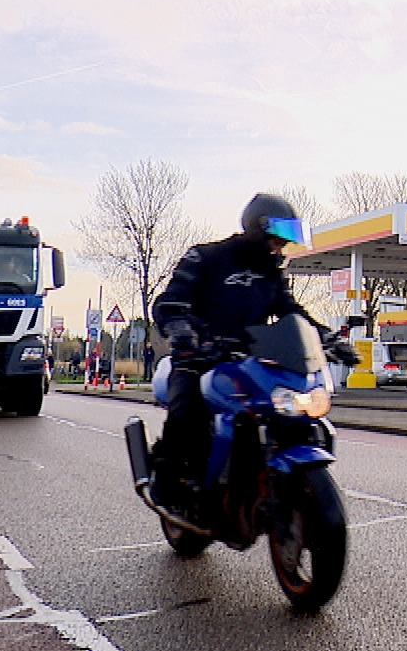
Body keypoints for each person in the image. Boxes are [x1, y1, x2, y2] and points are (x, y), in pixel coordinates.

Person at [149, 193, 356, 509]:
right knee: (186, 415)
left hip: (247, 360)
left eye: (285, 242)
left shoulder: (271, 274)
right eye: (276, 239)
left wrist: (327, 338)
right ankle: (167, 485)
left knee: (289, 412)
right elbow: (170, 302)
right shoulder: (206, 257)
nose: (281, 247)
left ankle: (261, 479)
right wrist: (181, 329)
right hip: (198, 357)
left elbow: (291, 312)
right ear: (258, 230)